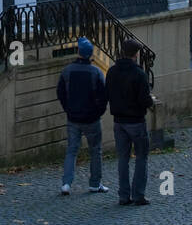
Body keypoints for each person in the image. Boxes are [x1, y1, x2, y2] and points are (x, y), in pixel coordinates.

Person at [56, 37, 109, 195]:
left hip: (73, 117)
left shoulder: (67, 71)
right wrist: (98, 112)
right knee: (95, 150)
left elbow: (60, 92)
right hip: (91, 118)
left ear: (78, 52)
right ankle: (95, 183)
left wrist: (68, 109)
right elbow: (103, 96)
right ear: (90, 55)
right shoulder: (96, 72)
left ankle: (66, 183)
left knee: (71, 150)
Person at [105, 37, 154, 206]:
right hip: (136, 121)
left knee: (123, 159)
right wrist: (151, 101)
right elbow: (144, 99)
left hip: (119, 121)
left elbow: (108, 93)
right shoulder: (139, 74)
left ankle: (123, 196)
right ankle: (138, 195)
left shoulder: (112, 72)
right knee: (141, 157)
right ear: (136, 54)